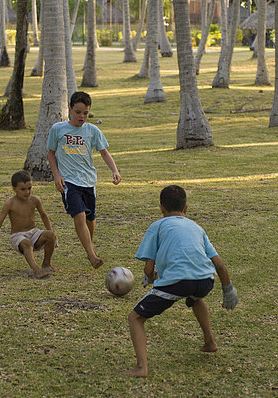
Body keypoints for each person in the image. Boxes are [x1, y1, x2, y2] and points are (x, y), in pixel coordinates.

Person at [123, 185, 239, 377]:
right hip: (205, 281)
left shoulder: (157, 226)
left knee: (135, 318)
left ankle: (141, 367)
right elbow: (219, 264)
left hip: (178, 282)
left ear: (161, 207)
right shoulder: (197, 227)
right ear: (186, 208)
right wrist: (228, 289)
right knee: (196, 297)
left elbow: (148, 269)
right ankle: (210, 342)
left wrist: (150, 278)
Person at [47, 91, 121, 269]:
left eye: (85, 113)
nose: (82, 116)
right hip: (69, 182)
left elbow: (104, 152)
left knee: (90, 217)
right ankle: (91, 255)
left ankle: (90, 245)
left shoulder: (92, 131)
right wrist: (57, 175)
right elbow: (51, 153)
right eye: (78, 112)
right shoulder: (58, 129)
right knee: (78, 214)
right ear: (70, 109)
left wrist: (115, 171)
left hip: (89, 181)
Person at [0, 170, 57, 279]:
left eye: (29, 188)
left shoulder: (35, 200)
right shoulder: (10, 203)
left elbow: (44, 215)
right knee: (27, 243)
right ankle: (36, 269)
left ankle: (46, 264)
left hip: (34, 233)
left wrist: (51, 234)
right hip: (17, 236)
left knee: (51, 235)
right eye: (23, 189)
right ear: (14, 189)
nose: (27, 192)